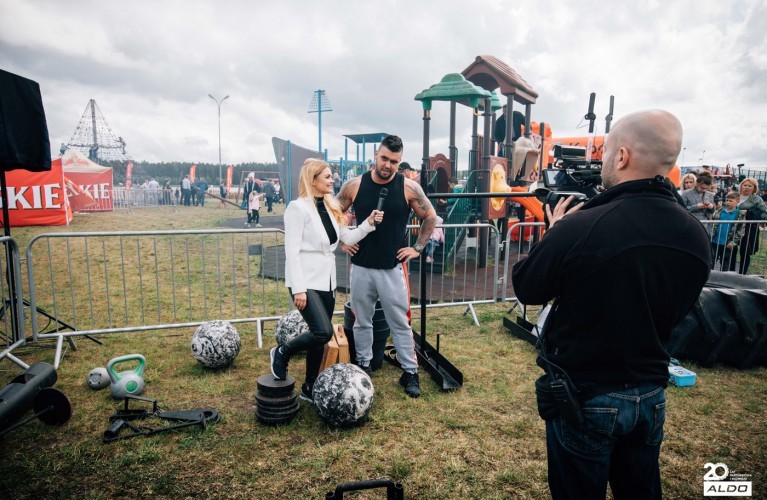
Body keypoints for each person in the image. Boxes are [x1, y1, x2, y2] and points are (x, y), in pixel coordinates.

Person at [512, 110, 711, 499]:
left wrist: (554, 233)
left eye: (604, 152)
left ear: (622, 156)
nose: (601, 160)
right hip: (651, 392)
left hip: (586, 394)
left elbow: (528, 287)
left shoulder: (582, 226)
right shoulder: (695, 235)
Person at [271, 159, 383, 402]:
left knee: (317, 338)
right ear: (313, 180)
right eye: (328, 176)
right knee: (323, 332)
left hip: (327, 281)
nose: (333, 180)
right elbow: (292, 251)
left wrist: (368, 224)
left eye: (332, 176)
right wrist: (298, 289)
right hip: (305, 281)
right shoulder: (297, 208)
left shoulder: (331, 206)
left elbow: (347, 237)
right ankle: (282, 351)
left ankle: (309, 386)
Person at [336, 134, 437, 398]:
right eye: (384, 158)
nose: (387, 165)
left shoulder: (408, 187)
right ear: (375, 156)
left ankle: (410, 372)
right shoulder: (354, 185)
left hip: (392, 267)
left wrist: (417, 248)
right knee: (362, 321)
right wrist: (343, 241)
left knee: (400, 323)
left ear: (399, 161)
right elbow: (333, 213)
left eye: (394, 161)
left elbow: (430, 216)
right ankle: (364, 365)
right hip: (361, 266)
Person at [736, 177, 767, 274]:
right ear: (741, 186)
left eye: (749, 186)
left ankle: (742, 273)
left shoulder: (757, 199)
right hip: (732, 227)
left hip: (748, 229)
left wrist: (751, 214)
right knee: (731, 249)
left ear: (754, 188)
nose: (746, 187)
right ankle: (729, 272)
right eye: (745, 185)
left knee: (745, 251)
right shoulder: (735, 195)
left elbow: (765, 212)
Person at [710, 191, 746, 271]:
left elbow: (741, 231)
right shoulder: (719, 211)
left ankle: (723, 277)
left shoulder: (740, 214)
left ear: (737, 201)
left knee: (725, 264)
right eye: (726, 200)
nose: (728, 202)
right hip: (715, 242)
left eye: (731, 201)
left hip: (728, 244)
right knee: (711, 261)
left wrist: (734, 242)